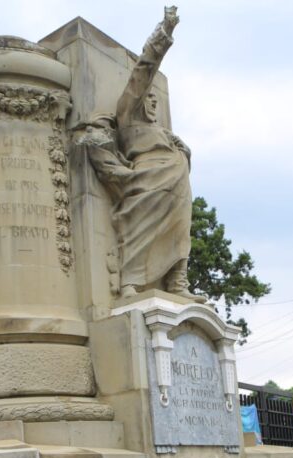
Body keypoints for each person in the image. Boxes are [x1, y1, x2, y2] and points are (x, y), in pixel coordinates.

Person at [110, 7, 199, 299]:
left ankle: (177, 282)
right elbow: (143, 71)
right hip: (148, 178)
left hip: (178, 184)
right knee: (142, 229)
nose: (151, 103)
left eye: (155, 101)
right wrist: (165, 33)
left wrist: (183, 153)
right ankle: (130, 282)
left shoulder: (163, 132)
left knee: (181, 231)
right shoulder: (129, 116)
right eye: (147, 98)